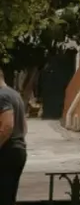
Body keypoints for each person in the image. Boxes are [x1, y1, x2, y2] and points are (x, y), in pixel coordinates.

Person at [0, 71, 24, 205]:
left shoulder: (2, 96)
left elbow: (7, 126)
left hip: (6, 151)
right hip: (18, 150)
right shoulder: (15, 94)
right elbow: (24, 127)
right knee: (8, 197)